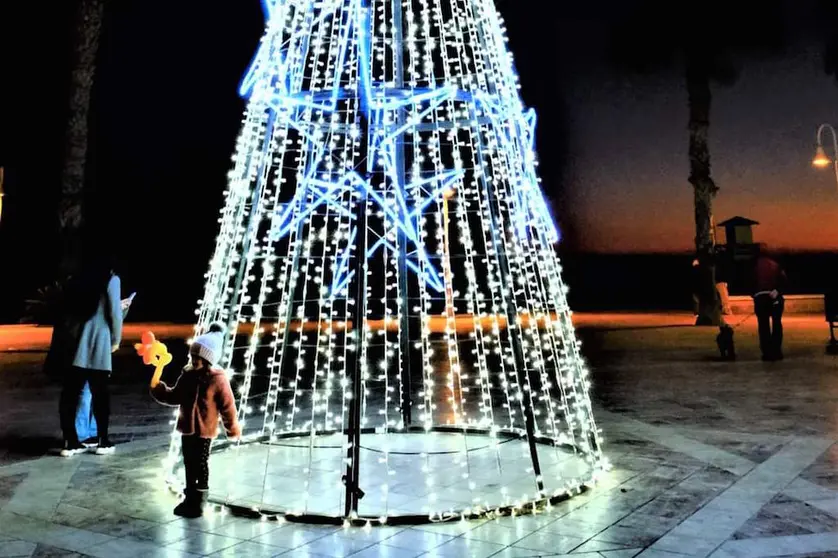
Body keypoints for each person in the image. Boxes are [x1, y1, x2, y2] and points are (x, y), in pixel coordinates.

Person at [150, 323, 240, 518]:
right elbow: (175, 396)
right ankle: (189, 497)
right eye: (192, 356)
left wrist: (232, 428)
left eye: (198, 357)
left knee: (201, 464)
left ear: (208, 358)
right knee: (189, 463)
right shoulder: (188, 375)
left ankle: (199, 501)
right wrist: (159, 389)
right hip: (187, 429)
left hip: (204, 430)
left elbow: (228, 405)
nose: (194, 360)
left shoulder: (218, 379)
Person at [58, 261, 124, 456]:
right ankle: (102, 440)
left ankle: (70, 441)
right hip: (98, 340)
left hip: (75, 342)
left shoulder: (76, 277)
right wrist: (116, 339)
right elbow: (114, 313)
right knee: (100, 393)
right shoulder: (111, 279)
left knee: (70, 393)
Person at [751, 249, 788, 361]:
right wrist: (777, 291)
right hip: (775, 298)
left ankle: (766, 352)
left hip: (760, 298)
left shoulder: (754, 267)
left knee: (763, 325)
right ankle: (776, 350)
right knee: (777, 323)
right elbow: (784, 281)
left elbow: (748, 282)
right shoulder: (775, 266)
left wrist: (755, 295)